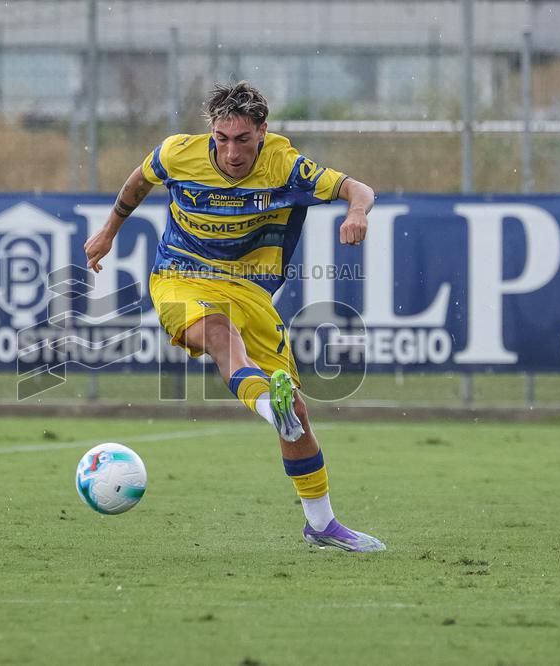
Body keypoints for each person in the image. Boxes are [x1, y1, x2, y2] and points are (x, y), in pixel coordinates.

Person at [84, 81, 385, 552]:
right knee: (219, 334)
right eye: (222, 138)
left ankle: (322, 526)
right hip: (180, 274)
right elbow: (139, 181)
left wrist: (358, 213)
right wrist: (108, 231)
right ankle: (271, 408)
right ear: (211, 131)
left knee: (301, 415)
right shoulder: (177, 153)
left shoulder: (285, 165)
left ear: (263, 132)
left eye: (243, 139)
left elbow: (358, 189)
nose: (231, 152)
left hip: (250, 291)